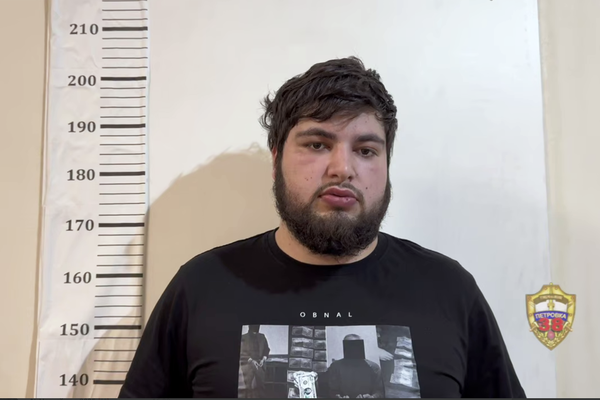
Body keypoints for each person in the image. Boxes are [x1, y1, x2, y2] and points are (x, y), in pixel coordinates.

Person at [119, 56, 526, 398]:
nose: (342, 168)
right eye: (317, 144)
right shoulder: (201, 288)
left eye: (365, 150)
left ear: (386, 164)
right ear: (276, 159)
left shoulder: (449, 290)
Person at [327, 334, 384, 398]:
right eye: (349, 346)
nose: (353, 349)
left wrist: (371, 397)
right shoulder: (335, 367)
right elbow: (331, 391)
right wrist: (338, 397)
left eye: (356, 345)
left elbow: (380, 392)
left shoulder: (374, 367)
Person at [238, 325, 270, 398]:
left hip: (260, 364)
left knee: (261, 387)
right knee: (248, 387)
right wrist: (251, 361)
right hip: (248, 364)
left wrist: (263, 359)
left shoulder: (262, 337)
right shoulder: (243, 337)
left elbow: (266, 349)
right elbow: (241, 352)